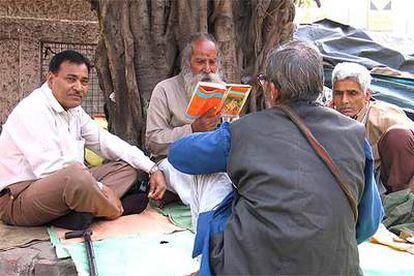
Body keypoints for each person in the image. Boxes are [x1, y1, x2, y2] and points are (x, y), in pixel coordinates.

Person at [168, 41, 383, 275]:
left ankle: (206, 267)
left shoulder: (244, 132)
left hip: (252, 267)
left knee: (213, 176)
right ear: (320, 89)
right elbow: (369, 222)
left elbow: (179, 154)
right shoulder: (354, 135)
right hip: (337, 268)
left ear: (272, 90)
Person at [0, 50, 166, 229]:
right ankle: (113, 209)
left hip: (71, 186)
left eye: (84, 81)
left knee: (127, 169)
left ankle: (81, 212)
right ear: (50, 79)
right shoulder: (33, 110)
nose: (79, 87)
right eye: (71, 79)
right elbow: (52, 171)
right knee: (76, 177)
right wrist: (103, 190)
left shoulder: (74, 111)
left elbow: (107, 142)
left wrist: (152, 168)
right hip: (18, 199)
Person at [146, 34, 233, 227]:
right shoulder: (164, 90)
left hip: (217, 158)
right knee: (205, 179)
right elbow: (153, 140)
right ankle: (211, 217)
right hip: (174, 162)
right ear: (187, 63)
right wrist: (192, 129)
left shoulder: (223, 90)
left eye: (212, 62)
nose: (208, 69)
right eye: (201, 61)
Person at [332, 62, 414, 193]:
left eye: (352, 93)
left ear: (366, 96)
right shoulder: (327, 115)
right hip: (347, 181)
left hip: (383, 182)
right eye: (338, 94)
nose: (344, 100)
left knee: (398, 136)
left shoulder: (382, 115)